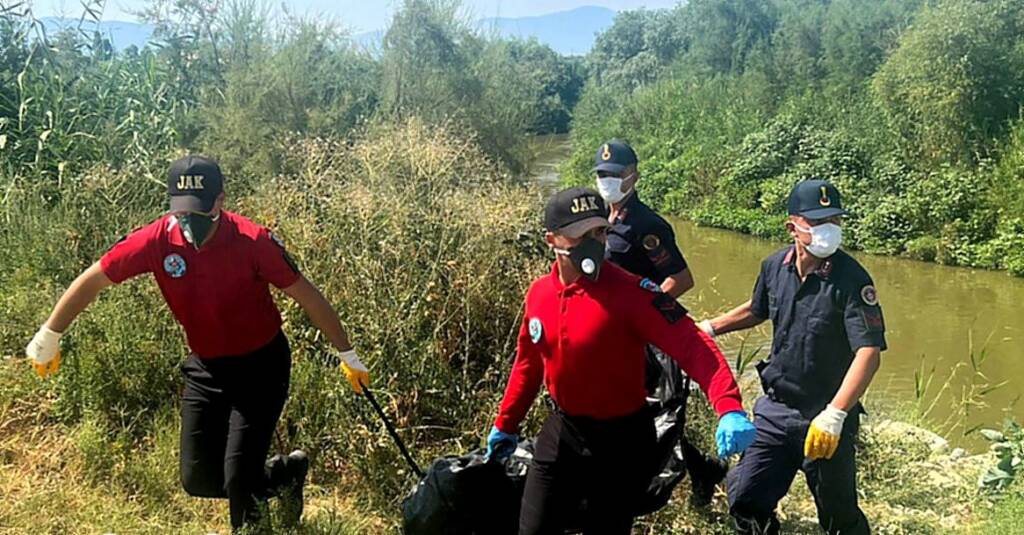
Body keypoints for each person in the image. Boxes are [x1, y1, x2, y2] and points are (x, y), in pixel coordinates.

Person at [24, 155, 370, 533]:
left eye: (200, 211)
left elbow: (309, 297)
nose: (189, 221)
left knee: (239, 478)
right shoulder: (157, 240)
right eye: (182, 211)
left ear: (220, 201)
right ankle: (284, 474)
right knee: (199, 480)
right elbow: (94, 279)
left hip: (261, 367)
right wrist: (50, 334)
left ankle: (254, 512)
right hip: (207, 368)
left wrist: (347, 354)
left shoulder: (253, 242)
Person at [484, 187, 757, 535]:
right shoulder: (540, 294)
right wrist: (506, 423)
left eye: (599, 231)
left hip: (623, 440)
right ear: (552, 239)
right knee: (534, 528)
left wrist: (728, 406)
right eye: (582, 234)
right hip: (564, 429)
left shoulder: (634, 293)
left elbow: (693, 345)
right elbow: (528, 364)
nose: (595, 242)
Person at [697, 179, 886, 535]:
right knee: (745, 499)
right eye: (817, 222)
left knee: (839, 518)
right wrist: (709, 327)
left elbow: (869, 352)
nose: (828, 229)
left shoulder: (851, 279)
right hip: (777, 410)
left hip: (826, 414)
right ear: (793, 227)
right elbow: (757, 310)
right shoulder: (774, 267)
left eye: (835, 220)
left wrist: (836, 414)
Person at [593, 139, 727, 506]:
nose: (607, 180)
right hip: (606, 333)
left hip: (639, 338)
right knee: (648, 414)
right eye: (602, 174)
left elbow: (680, 279)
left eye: (615, 174)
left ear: (633, 175)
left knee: (650, 411)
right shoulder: (600, 220)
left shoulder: (647, 225)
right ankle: (705, 470)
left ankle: (641, 483)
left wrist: (647, 312)